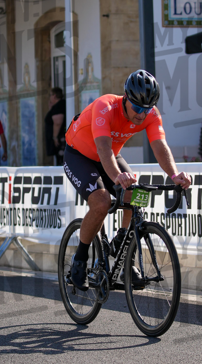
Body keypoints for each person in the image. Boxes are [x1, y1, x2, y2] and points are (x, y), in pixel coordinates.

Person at [63, 69, 191, 290]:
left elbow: (159, 146)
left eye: (147, 109)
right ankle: (80, 260)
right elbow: (103, 147)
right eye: (137, 108)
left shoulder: (150, 114)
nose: (142, 114)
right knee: (101, 202)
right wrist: (117, 176)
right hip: (80, 155)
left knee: (137, 195)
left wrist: (174, 175)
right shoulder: (105, 106)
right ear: (126, 98)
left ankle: (124, 250)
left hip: (110, 155)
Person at [45, 87, 66, 165]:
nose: (50, 97)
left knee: (61, 160)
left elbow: (57, 123)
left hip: (60, 139)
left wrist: (55, 137)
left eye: (50, 95)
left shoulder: (59, 106)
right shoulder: (57, 106)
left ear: (54, 96)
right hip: (60, 138)